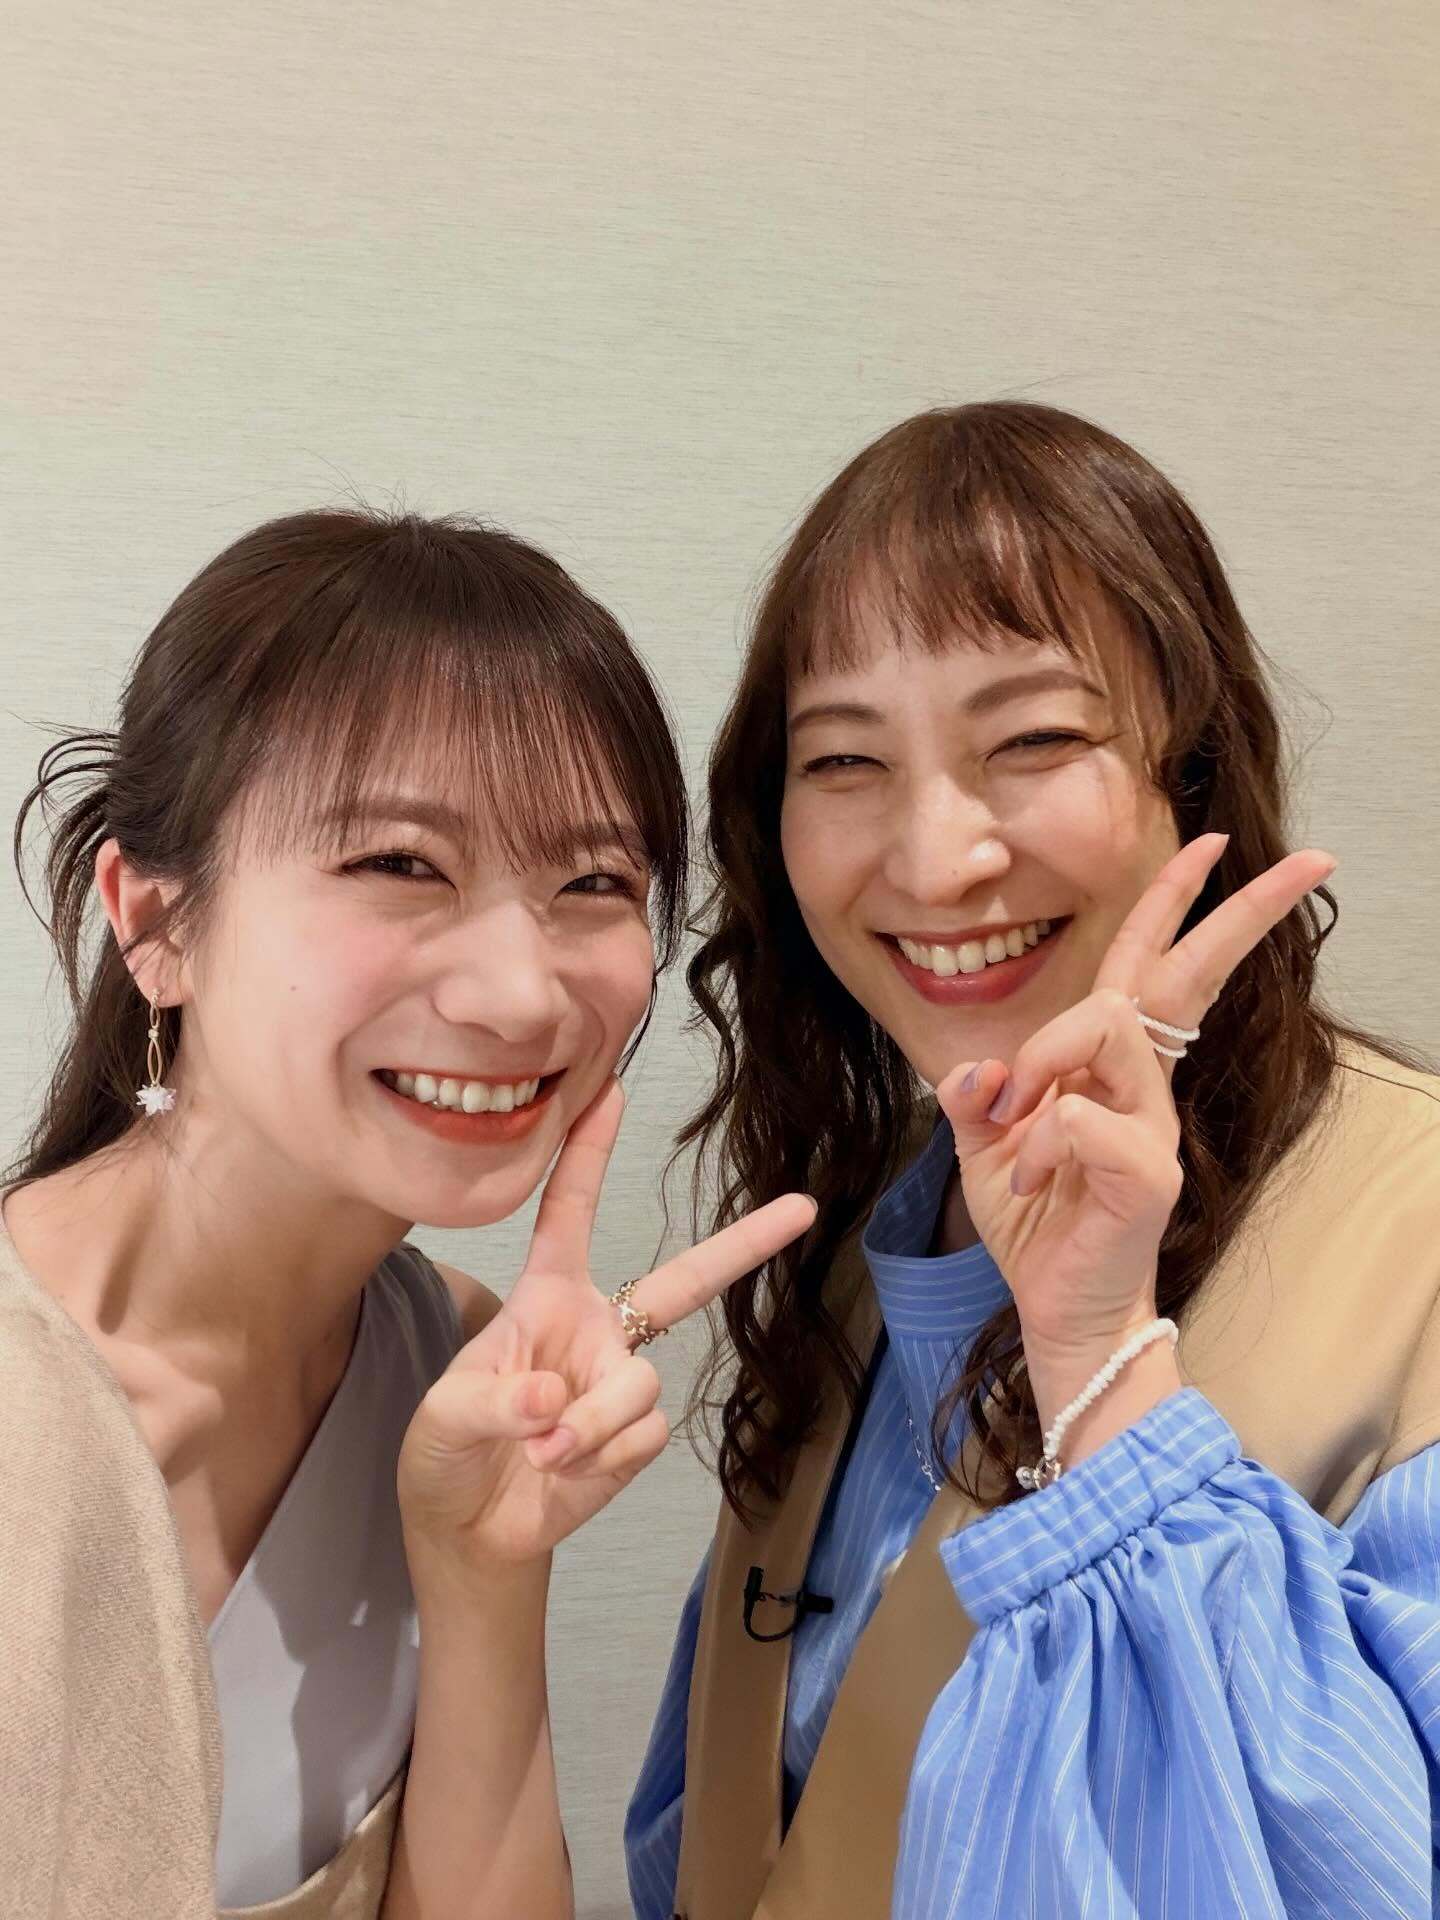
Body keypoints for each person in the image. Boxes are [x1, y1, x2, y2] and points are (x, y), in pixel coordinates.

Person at [626, 401, 1440, 1919]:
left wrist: (1101, 1362)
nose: (937, 862)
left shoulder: (1415, 1238)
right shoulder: (872, 1243)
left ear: (1196, 773)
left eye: (1036, 740)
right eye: (843, 758)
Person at [0, 506, 814, 1920]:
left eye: (593, 883)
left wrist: (486, 1570)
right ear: (156, 921)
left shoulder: (451, 1371)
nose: (519, 994)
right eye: (400, 864)